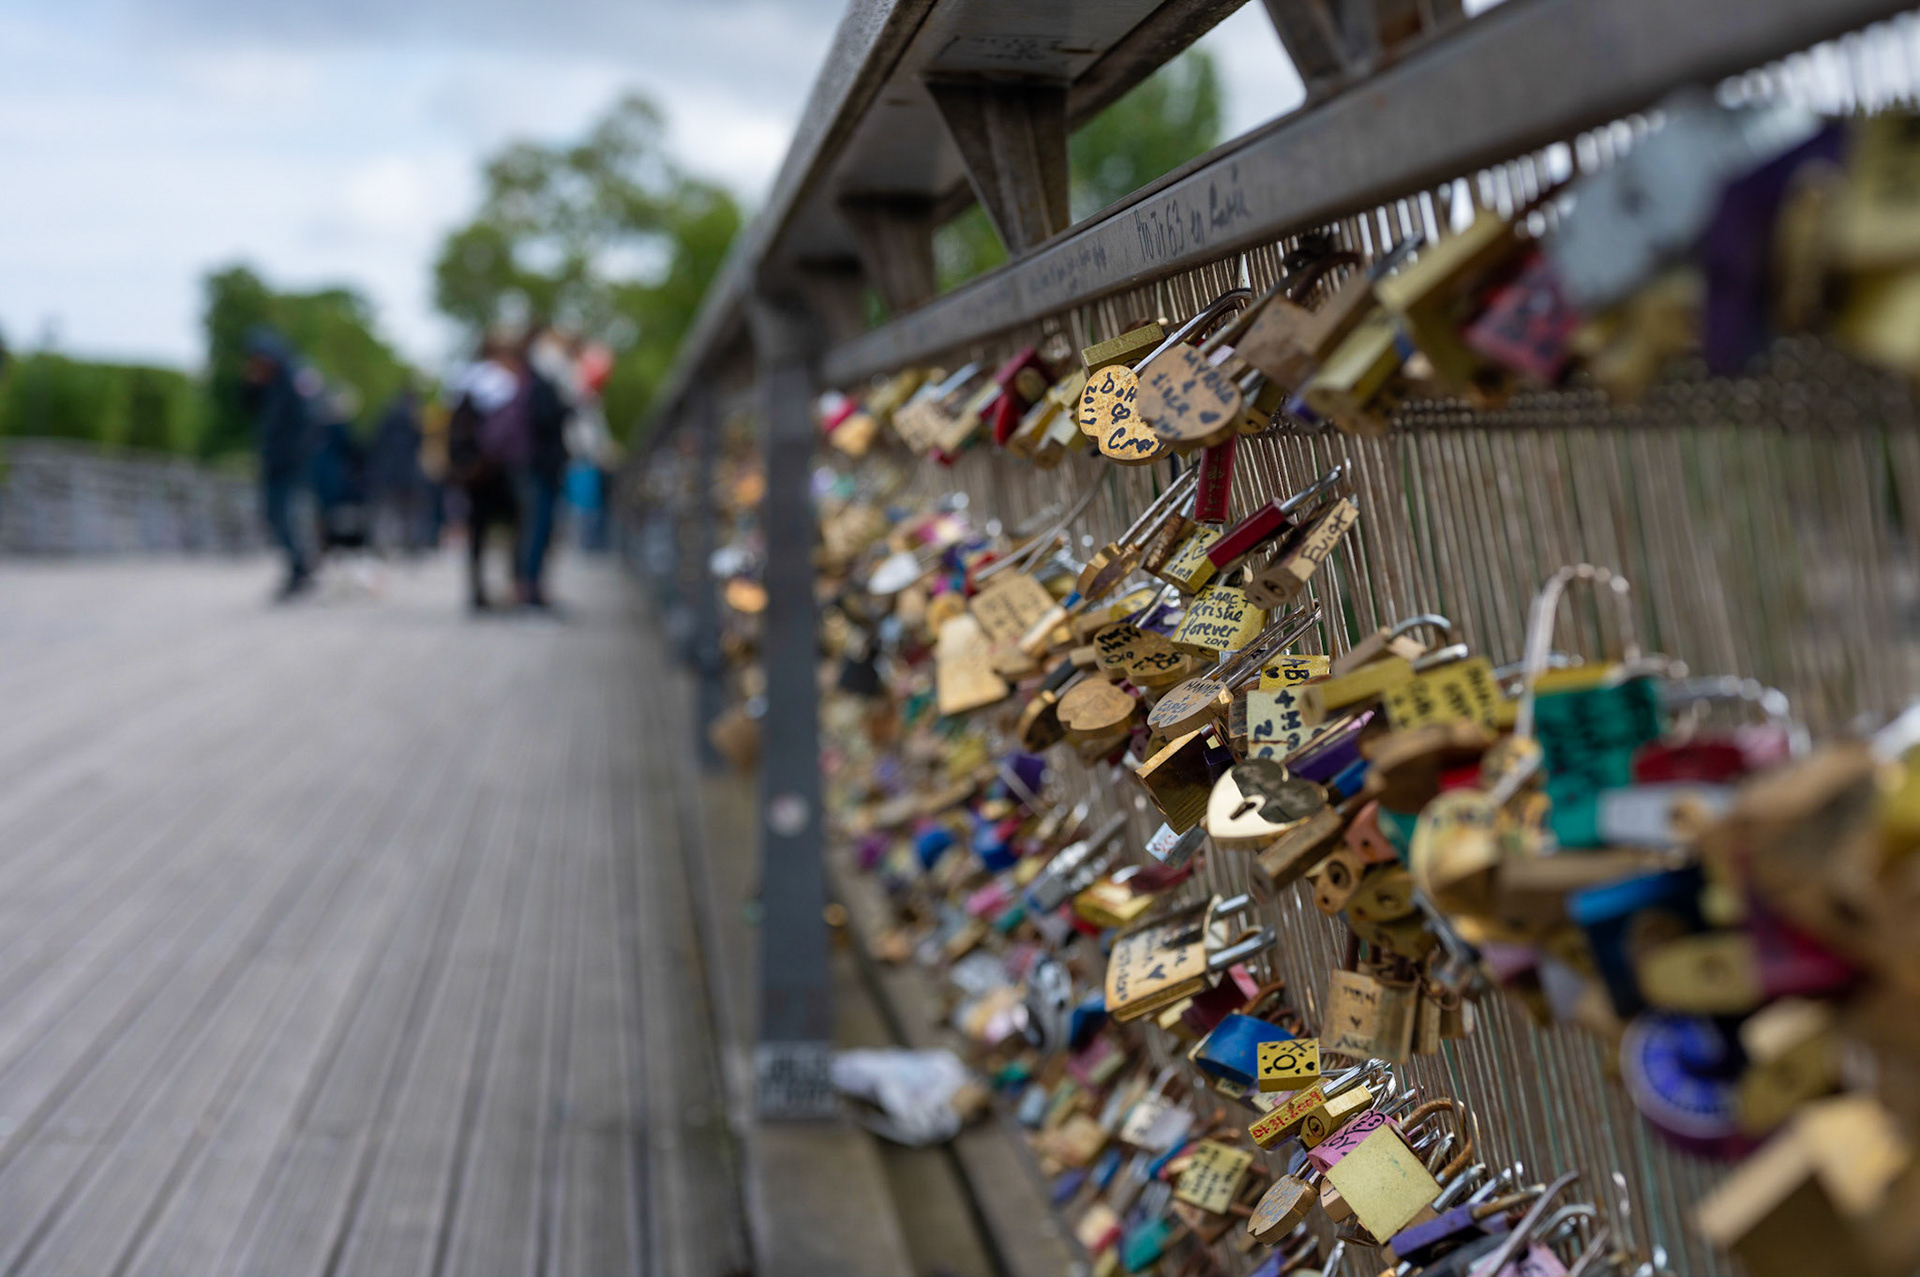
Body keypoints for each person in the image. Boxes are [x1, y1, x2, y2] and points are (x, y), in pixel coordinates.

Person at [445, 339, 521, 613]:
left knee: (477, 531)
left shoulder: (464, 382)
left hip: (472, 470)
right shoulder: (501, 382)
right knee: (514, 526)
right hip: (497, 468)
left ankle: (477, 591)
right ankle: (515, 587)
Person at [241, 329, 315, 600]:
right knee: (274, 516)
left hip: (290, 462)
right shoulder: (269, 383)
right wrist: (252, 383)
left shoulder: (295, 379)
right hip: (274, 461)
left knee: (284, 515)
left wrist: (297, 456)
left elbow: (308, 421)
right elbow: (247, 405)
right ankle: (300, 567)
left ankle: (301, 569)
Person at [368, 386, 426, 555]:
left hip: (387, 468)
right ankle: (410, 545)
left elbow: (376, 441)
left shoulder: (387, 414)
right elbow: (418, 444)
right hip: (407, 470)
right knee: (408, 510)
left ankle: (381, 545)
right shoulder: (414, 418)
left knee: (385, 508)